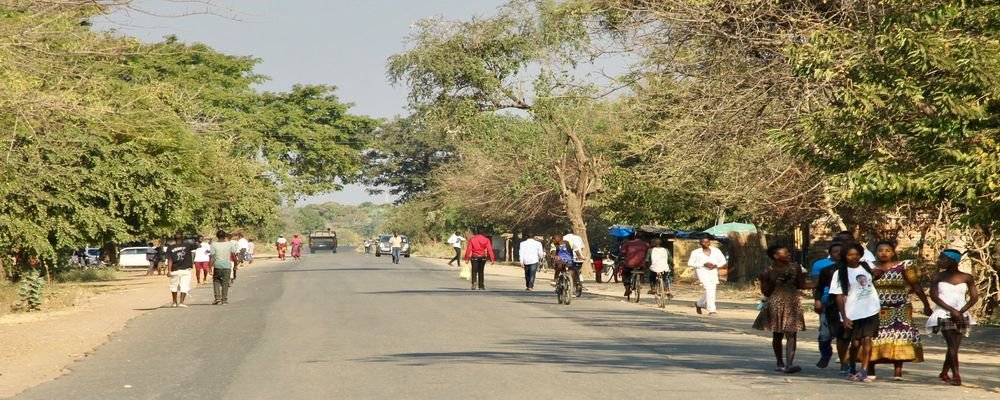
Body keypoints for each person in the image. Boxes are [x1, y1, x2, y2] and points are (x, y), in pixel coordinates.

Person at [867, 240, 932, 381]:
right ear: (875, 253)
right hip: (875, 306)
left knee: (900, 336)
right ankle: (870, 369)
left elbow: (915, 285)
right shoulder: (868, 266)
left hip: (900, 306)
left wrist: (926, 305)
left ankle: (898, 371)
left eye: (887, 250)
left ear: (893, 252)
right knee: (873, 336)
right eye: (880, 250)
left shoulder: (904, 265)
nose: (883, 253)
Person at [829, 243, 880, 382]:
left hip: (870, 309)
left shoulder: (866, 267)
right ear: (844, 256)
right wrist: (844, 316)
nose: (853, 257)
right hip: (853, 311)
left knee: (867, 339)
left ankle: (864, 370)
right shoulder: (840, 273)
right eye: (850, 255)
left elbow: (878, 273)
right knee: (855, 343)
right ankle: (852, 367)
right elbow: (838, 295)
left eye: (856, 254)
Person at [927, 249, 979, 386]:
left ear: (953, 261)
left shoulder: (967, 277)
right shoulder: (937, 276)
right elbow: (934, 297)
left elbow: (974, 298)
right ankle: (956, 375)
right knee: (952, 345)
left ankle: (944, 373)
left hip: (962, 314)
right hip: (944, 313)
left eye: (943, 258)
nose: (939, 261)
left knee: (954, 346)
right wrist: (952, 310)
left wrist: (961, 311)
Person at [753, 245, 807, 373]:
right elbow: (765, 291)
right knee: (777, 334)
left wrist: (819, 284)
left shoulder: (795, 267)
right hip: (775, 304)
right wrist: (775, 281)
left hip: (792, 303)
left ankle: (789, 363)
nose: (788, 254)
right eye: (785, 252)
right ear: (776, 256)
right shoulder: (767, 272)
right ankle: (779, 361)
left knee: (792, 333)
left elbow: (801, 285)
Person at [812, 243, 850, 373]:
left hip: (851, 304)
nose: (838, 254)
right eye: (835, 252)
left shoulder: (855, 268)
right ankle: (825, 354)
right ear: (830, 253)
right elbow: (819, 287)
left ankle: (845, 363)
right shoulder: (827, 270)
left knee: (844, 336)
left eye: (842, 251)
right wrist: (817, 300)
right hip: (830, 304)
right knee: (825, 334)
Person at [688, 237, 727, 316]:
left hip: (713, 271)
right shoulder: (696, 252)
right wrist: (703, 264)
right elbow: (690, 263)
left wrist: (716, 265)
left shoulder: (716, 251)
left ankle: (699, 304)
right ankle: (712, 310)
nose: (705, 244)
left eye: (707, 242)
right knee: (709, 288)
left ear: (710, 243)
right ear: (700, 243)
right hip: (702, 271)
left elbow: (723, 261)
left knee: (711, 290)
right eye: (703, 242)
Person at [166, 234, 199, 308]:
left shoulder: (170, 248)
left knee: (174, 286)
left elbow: (170, 260)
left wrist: (169, 270)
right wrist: (196, 240)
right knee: (184, 286)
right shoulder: (187, 245)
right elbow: (197, 245)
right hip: (185, 269)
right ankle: (181, 302)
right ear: (182, 238)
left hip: (174, 269)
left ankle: (174, 302)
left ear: (174, 239)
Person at [209, 230, 238, 305]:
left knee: (216, 281)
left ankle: (217, 298)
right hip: (227, 266)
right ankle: (224, 299)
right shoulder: (229, 244)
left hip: (217, 265)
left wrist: (210, 267)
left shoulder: (213, 244)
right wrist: (235, 265)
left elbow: (212, 257)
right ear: (225, 236)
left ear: (217, 236)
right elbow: (234, 256)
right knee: (225, 282)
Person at [619, 233, 649, 298]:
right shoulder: (646, 245)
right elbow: (648, 253)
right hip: (641, 264)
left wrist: (620, 257)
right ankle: (640, 281)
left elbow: (622, 252)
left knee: (625, 273)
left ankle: (627, 288)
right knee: (642, 270)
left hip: (630, 264)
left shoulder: (628, 243)